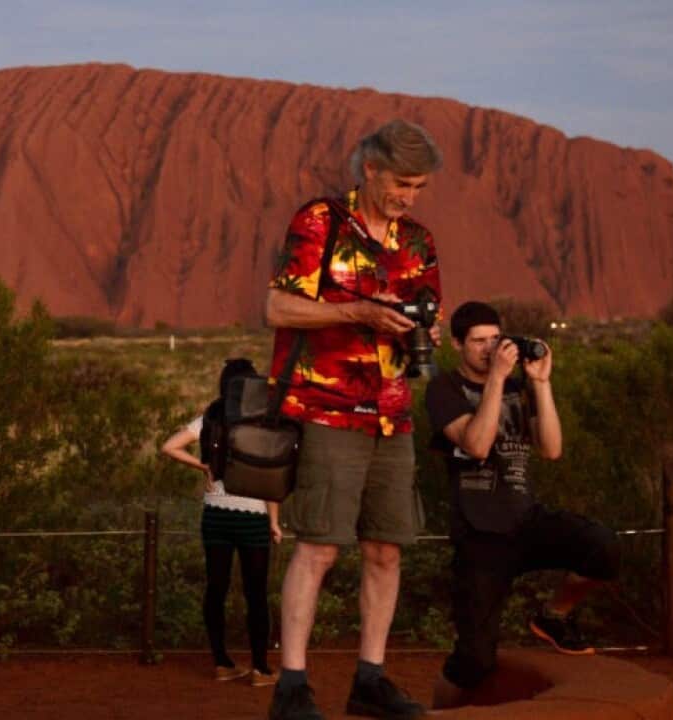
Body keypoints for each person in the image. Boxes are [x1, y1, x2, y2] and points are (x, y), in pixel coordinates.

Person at [264, 119, 443, 720]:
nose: (409, 197)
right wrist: (360, 311)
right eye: (401, 184)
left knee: (386, 549)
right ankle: (292, 687)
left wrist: (419, 323)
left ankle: (370, 679)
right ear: (370, 169)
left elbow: (429, 310)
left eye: (418, 187)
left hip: (393, 413)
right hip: (329, 408)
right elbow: (277, 306)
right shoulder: (322, 222)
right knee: (319, 547)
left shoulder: (417, 240)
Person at [426, 301, 620, 707]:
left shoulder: (519, 388)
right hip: (480, 537)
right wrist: (497, 379)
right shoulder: (444, 389)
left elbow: (551, 449)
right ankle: (440, 707)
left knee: (603, 547)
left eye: (495, 339)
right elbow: (477, 445)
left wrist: (541, 384)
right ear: (457, 344)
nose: (489, 349)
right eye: (478, 341)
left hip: (526, 520)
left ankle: (554, 616)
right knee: (475, 661)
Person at [161, 358, 282, 687]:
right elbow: (270, 478)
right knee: (256, 593)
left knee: (216, 587)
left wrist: (204, 467)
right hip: (252, 514)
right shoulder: (262, 421)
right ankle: (260, 669)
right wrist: (274, 522)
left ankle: (222, 663)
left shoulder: (211, 416)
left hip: (215, 513)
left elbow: (169, 446)